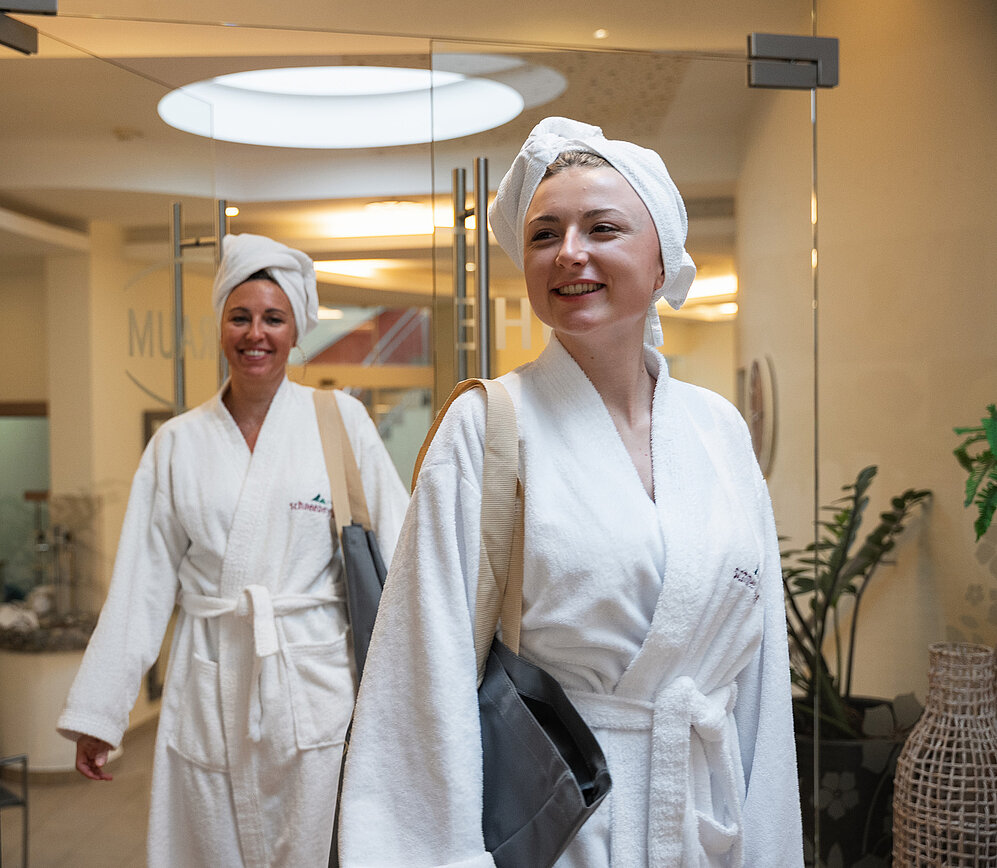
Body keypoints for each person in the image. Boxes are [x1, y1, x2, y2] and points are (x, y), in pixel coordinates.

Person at [338, 118, 802, 867]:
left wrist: (770, 849)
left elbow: (759, 684)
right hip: (562, 827)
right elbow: (419, 677)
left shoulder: (717, 432)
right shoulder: (486, 426)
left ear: (661, 265)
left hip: (707, 827)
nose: (570, 252)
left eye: (602, 227)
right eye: (544, 234)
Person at [57, 233, 410, 867]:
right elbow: (141, 585)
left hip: (314, 684)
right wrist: (99, 712)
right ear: (219, 324)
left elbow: (407, 548)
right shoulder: (177, 444)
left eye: (274, 318)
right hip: (209, 682)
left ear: (296, 329)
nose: (256, 333)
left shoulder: (340, 421)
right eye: (240, 316)